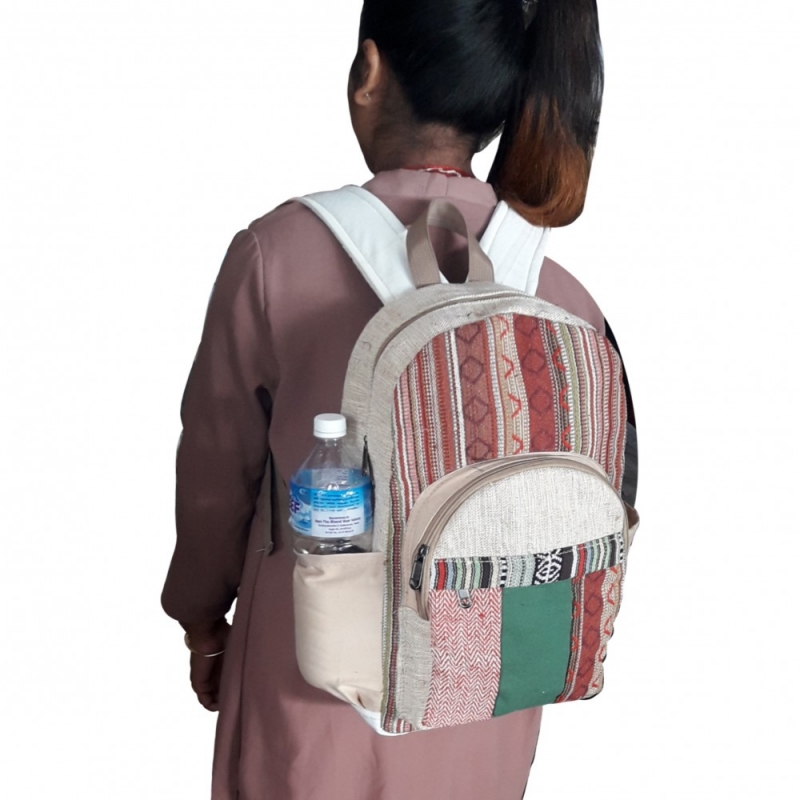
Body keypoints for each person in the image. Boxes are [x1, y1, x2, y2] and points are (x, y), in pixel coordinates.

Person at [161, 1, 638, 798]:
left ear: (369, 72)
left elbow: (215, 469)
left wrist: (200, 616)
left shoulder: (276, 256)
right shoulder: (561, 293)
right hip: (483, 692)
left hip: (310, 679)